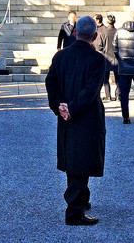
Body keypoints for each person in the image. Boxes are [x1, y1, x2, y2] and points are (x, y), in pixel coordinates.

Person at [45, 16, 105, 226]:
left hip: (67, 116)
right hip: (86, 116)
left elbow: (50, 82)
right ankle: (74, 212)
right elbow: (91, 91)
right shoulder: (97, 60)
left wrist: (60, 106)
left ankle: (82, 199)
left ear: (74, 32)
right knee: (83, 158)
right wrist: (71, 107)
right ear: (95, 36)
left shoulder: (61, 56)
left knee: (75, 157)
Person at [92, 14, 117, 102]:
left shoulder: (103, 32)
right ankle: (118, 94)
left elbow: (99, 45)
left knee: (105, 78)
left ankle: (108, 95)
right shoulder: (117, 31)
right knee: (118, 78)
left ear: (107, 22)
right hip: (116, 57)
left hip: (106, 57)